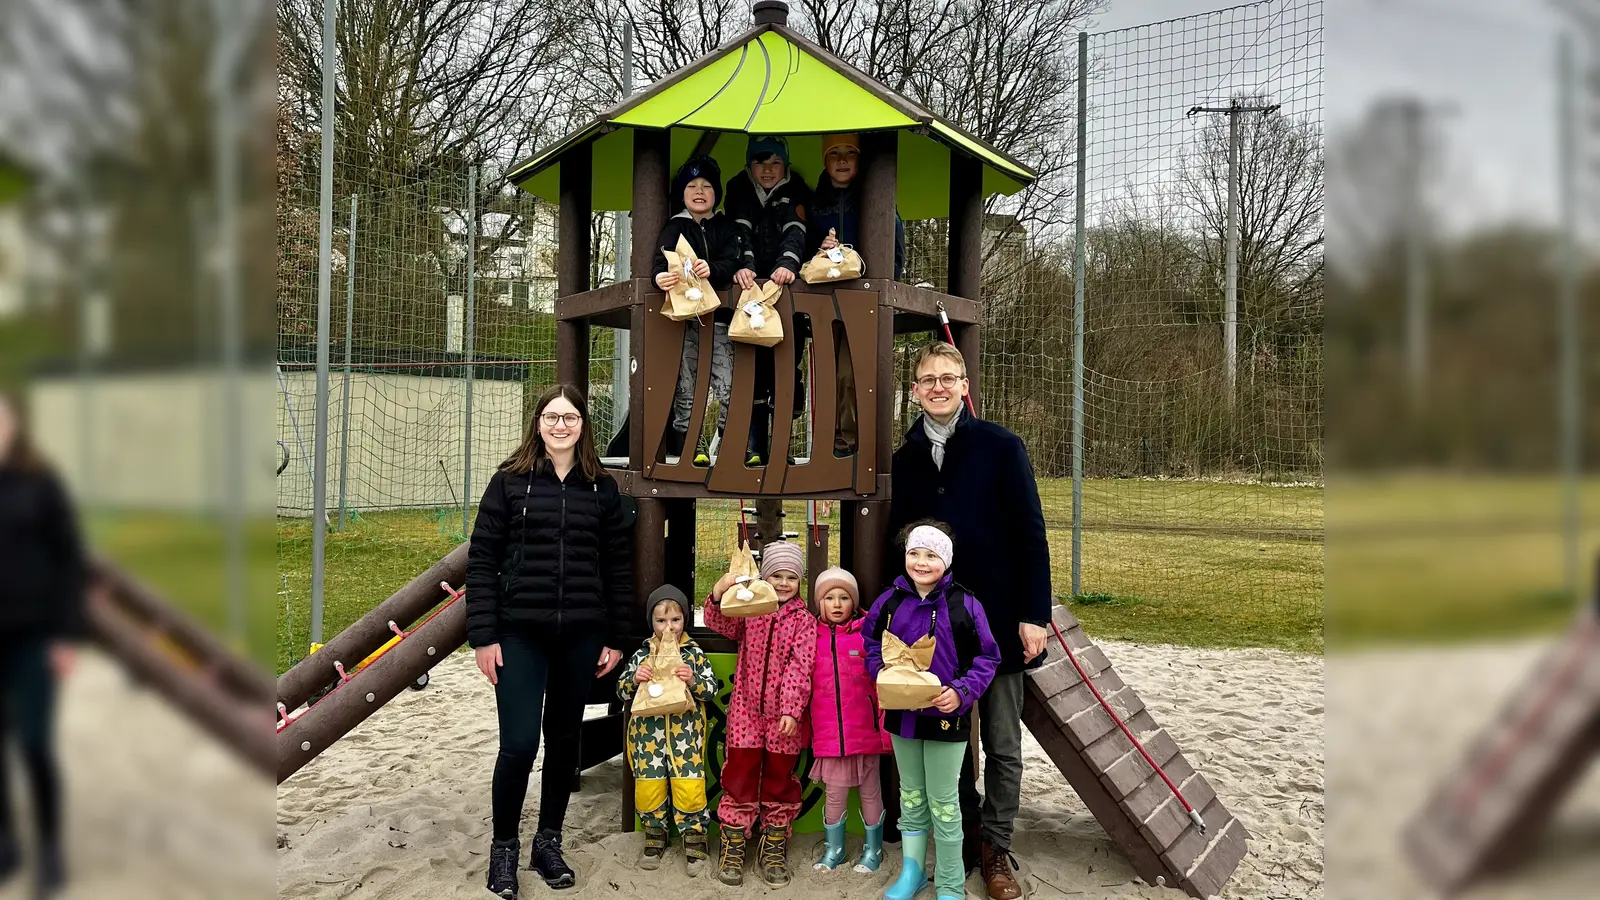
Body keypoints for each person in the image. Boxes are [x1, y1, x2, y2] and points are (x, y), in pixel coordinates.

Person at [884, 342, 1053, 900]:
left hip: (1000, 618)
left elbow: (1031, 535)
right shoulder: (904, 458)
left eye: (948, 377)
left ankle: (998, 847)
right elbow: (897, 543)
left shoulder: (1001, 446)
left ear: (963, 385)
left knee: (1003, 741)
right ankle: (966, 830)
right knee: (945, 734)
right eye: (927, 379)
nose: (938, 386)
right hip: (937, 628)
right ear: (914, 390)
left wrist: (1033, 615)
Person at [466, 384, 634, 898]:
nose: (560, 426)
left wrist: (617, 637)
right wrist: (483, 636)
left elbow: (619, 568)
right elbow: (483, 559)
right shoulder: (510, 483)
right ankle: (503, 850)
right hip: (520, 633)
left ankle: (548, 842)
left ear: (583, 426)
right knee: (518, 744)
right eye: (551, 417)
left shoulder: (601, 489)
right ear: (538, 424)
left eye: (570, 418)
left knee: (563, 742)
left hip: (581, 635)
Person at [863, 522, 1000, 900]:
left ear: (946, 560)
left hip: (946, 716)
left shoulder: (964, 604)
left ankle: (951, 882)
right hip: (902, 716)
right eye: (914, 553)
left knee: (943, 800)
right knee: (911, 795)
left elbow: (987, 658)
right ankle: (913, 873)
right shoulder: (889, 601)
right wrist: (881, 673)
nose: (921, 562)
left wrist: (961, 692)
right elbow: (870, 642)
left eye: (931, 555)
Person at [0, 393, 83, 900]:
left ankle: (50, 846)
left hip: (33, 637)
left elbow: (69, 560)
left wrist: (66, 635)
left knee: (33, 744)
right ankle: (7, 839)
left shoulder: (40, 485)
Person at [702, 541, 815, 887]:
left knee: (781, 778)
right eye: (776, 576)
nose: (783, 583)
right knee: (740, 772)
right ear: (765, 577)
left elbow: (801, 667)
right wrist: (722, 590)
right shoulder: (751, 609)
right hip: (745, 711)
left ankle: (774, 840)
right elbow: (718, 620)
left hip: (784, 718)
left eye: (791, 577)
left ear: (800, 581)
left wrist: (791, 710)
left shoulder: (803, 621)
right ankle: (735, 839)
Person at [807, 133, 906, 457]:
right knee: (826, 373)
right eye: (835, 153)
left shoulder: (876, 201)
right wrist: (818, 251)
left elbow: (895, 255)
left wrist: (856, 260)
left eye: (850, 152)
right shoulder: (812, 204)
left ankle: (854, 443)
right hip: (822, 304)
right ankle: (831, 441)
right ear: (825, 160)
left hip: (862, 304)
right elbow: (797, 250)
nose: (843, 159)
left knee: (853, 373)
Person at [616, 585, 718, 876]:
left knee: (689, 787)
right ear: (652, 622)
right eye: (661, 621)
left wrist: (693, 678)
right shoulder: (642, 653)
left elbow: (710, 689)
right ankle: (655, 835)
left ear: (685, 620)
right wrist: (634, 678)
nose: (668, 627)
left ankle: (694, 839)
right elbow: (621, 690)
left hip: (685, 738)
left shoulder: (693, 653)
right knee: (649, 787)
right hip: (647, 738)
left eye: (675, 620)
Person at [652, 155, 743, 465]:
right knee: (687, 388)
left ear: (716, 192)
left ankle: (727, 443)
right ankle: (692, 446)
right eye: (692, 186)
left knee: (728, 386)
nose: (699, 191)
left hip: (719, 322)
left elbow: (734, 261)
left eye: (706, 186)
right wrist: (659, 277)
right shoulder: (674, 227)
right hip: (685, 322)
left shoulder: (725, 226)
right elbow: (659, 263)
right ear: (683, 193)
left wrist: (713, 269)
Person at [725, 135, 810, 465]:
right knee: (754, 371)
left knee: (786, 368)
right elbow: (738, 231)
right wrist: (744, 267)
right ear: (749, 166)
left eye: (775, 163)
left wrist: (787, 265)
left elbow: (797, 230)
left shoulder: (797, 189)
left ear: (785, 165)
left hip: (786, 294)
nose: (768, 170)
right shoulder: (739, 189)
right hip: (751, 293)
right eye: (761, 163)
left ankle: (782, 447)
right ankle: (755, 447)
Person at [807, 566, 892, 874]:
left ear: (854, 602)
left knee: (871, 792)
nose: (837, 603)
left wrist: (883, 732)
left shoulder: (867, 634)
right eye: (829, 597)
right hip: (830, 737)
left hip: (865, 734)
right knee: (834, 795)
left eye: (844, 597)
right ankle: (835, 849)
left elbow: (880, 686)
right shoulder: (810, 638)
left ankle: (873, 849)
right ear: (819, 603)